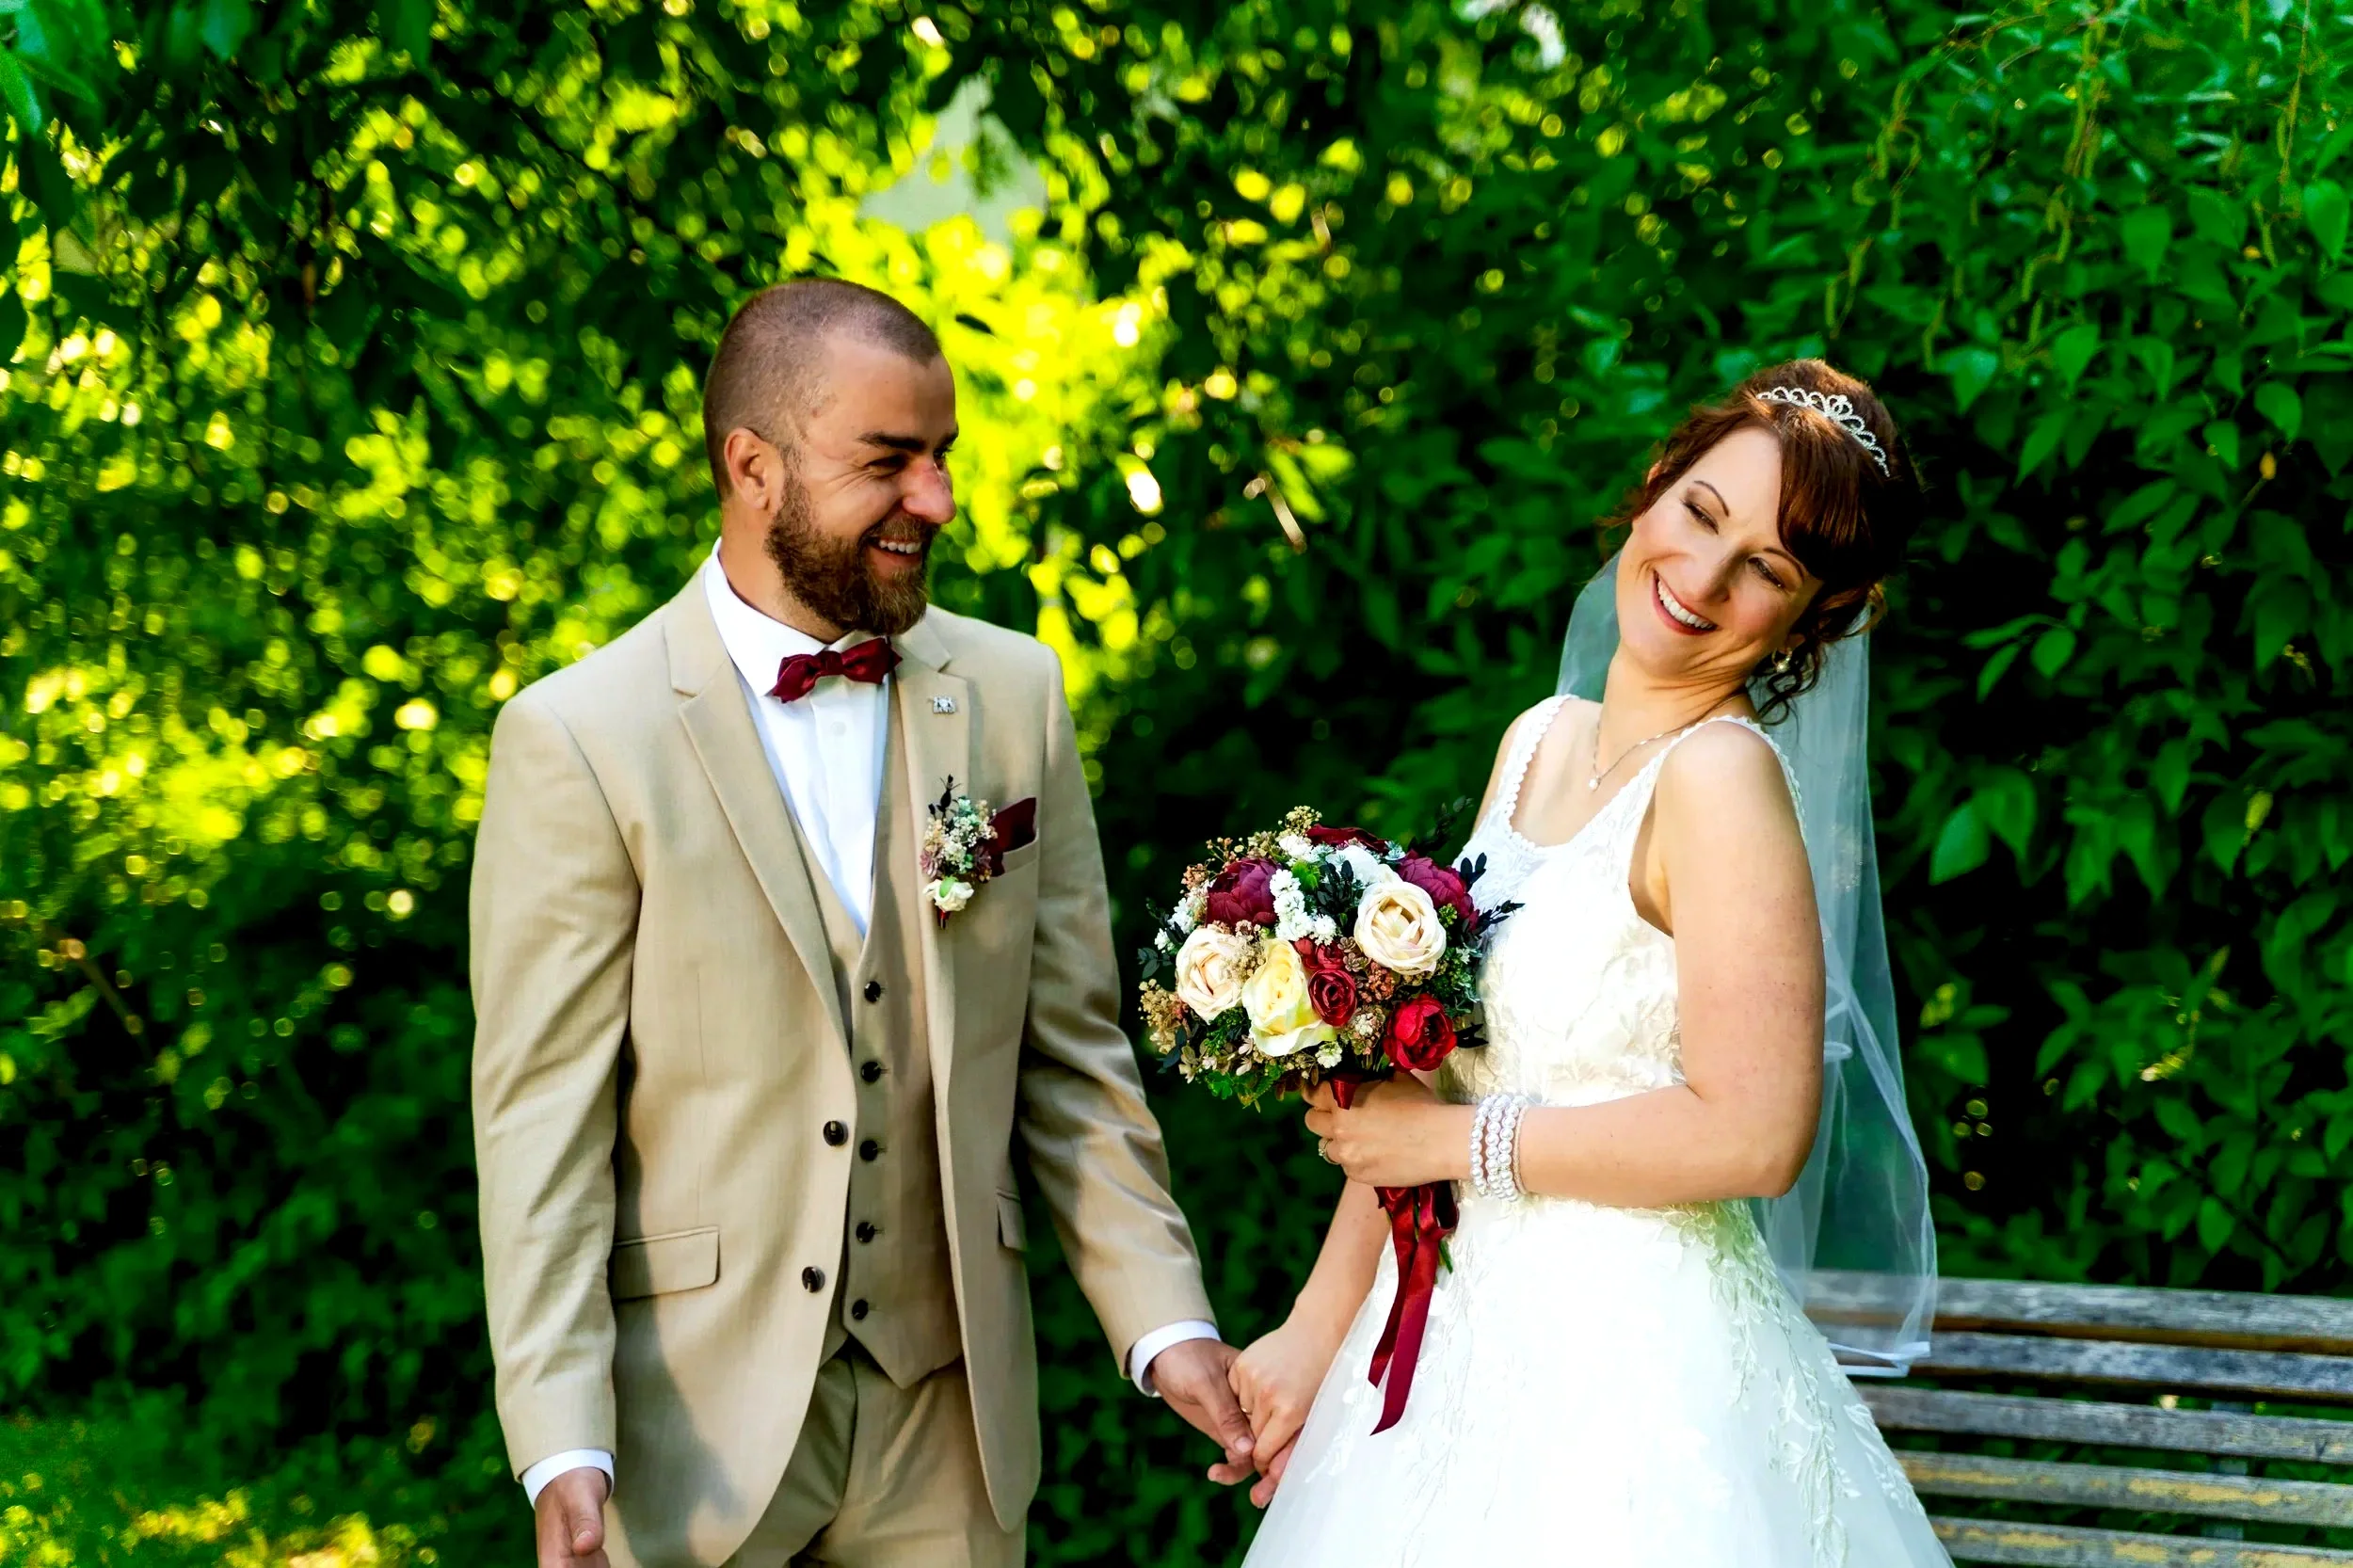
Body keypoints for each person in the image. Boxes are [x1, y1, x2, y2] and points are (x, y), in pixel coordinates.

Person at [470, 278, 1253, 1568]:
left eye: (942, 458)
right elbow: (543, 1117)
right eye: (889, 462)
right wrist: (563, 1438)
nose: (936, 500)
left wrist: (1165, 1324)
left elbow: (1068, 1056)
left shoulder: (1012, 693)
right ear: (752, 466)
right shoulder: (581, 739)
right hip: (691, 1436)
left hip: (945, 1416)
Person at [1228, 361, 1954, 1566]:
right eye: (1702, 515)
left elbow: (1756, 1132)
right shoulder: (1537, 742)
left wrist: (1460, 1146)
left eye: (1766, 568)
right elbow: (1433, 1073)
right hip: (1445, 1329)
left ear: (1812, 616)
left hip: (1629, 1367)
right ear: (1655, 486)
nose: (1705, 578)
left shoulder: (1720, 780)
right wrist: (1313, 1327)